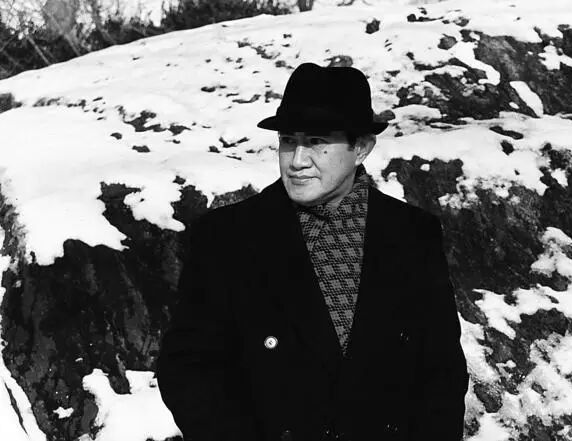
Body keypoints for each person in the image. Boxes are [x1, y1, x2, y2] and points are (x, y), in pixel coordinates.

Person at [157, 62, 469, 441]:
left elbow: (441, 372)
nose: (297, 160)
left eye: (318, 142)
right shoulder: (228, 236)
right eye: (289, 140)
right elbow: (189, 367)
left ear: (361, 148)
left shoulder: (412, 234)